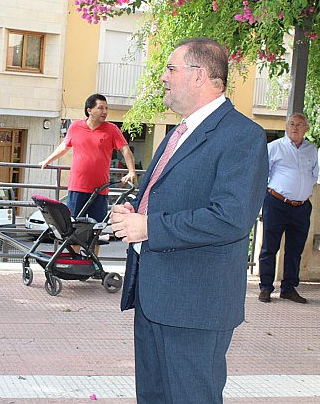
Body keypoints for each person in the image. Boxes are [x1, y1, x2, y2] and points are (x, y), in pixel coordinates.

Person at [110, 38, 268, 404]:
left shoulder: (243, 136)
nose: (162, 77)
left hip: (196, 306)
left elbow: (231, 218)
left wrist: (149, 227)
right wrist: (134, 211)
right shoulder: (177, 133)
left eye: (170, 68)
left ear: (199, 76)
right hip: (154, 298)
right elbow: (167, 195)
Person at [40, 93, 136, 223]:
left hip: (100, 190)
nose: (105, 112)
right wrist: (47, 160)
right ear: (89, 110)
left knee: (95, 231)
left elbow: (125, 149)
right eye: (101, 108)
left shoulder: (112, 129)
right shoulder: (75, 127)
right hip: (77, 187)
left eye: (106, 108)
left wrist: (131, 171)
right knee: (73, 230)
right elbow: (64, 146)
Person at [258, 113, 318, 304]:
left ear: (306, 128)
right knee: (270, 247)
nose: (295, 127)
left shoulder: (311, 150)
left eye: (300, 125)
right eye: (292, 124)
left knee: (295, 249)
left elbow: (314, 175)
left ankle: (289, 289)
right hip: (276, 203)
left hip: (301, 207)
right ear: (286, 126)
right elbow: (262, 173)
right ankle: (266, 288)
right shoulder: (274, 147)